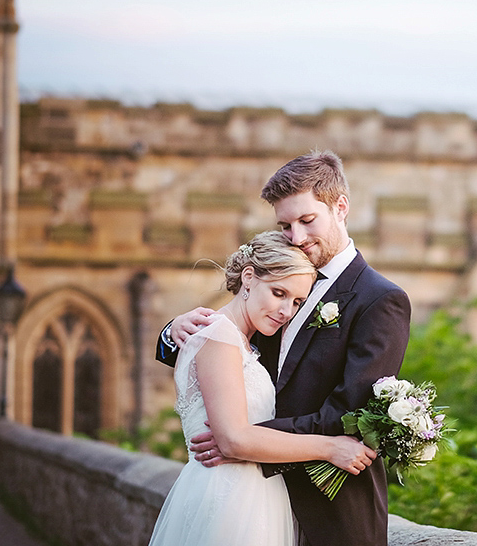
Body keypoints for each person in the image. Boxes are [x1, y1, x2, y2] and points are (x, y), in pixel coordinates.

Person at [156, 150, 411, 546]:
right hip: (251, 505)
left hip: (332, 510)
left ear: (340, 207)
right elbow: (227, 350)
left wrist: (243, 439)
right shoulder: (285, 281)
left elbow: (345, 415)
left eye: (307, 220)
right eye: (285, 224)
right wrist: (173, 332)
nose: (297, 237)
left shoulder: (380, 300)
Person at [147, 230, 377, 546]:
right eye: (278, 293)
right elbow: (233, 439)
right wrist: (330, 447)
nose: (286, 312)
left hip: (257, 495)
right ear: (249, 278)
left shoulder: (248, 343)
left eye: (297, 301)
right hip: (227, 499)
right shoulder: (219, 335)